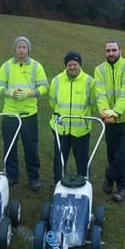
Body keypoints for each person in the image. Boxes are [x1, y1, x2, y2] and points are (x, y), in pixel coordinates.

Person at [0, 36, 48, 191]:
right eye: (19, 47)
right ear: (14, 49)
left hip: (28, 114)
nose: (21, 50)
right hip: (10, 114)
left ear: (28, 49)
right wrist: (9, 92)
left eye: (24, 47)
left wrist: (29, 94)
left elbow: (45, 87)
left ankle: (34, 177)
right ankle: (12, 176)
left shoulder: (36, 66)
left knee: (31, 147)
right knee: (10, 146)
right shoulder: (6, 66)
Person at [94, 40, 125, 202]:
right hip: (110, 119)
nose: (111, 53)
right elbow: (100, 94)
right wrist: (106, 112)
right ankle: (122, 188)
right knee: (113, 153)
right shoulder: (99, 70)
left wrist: (116, 112)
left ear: (120, 50)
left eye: (114, 50)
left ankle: (109, 176)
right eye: (108, 51)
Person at [48, 52, 96, 185]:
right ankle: (58, 181)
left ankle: (84, 181)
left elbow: (93, 103)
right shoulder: (57, 80)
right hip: (61, 127)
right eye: (70, 64)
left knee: (82, 158)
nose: (72, 67)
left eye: (75, 64)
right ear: (66, 66)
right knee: (60, 157)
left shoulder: (89, 81)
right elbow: (52, 102)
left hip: (80, 129)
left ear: (80, 65)